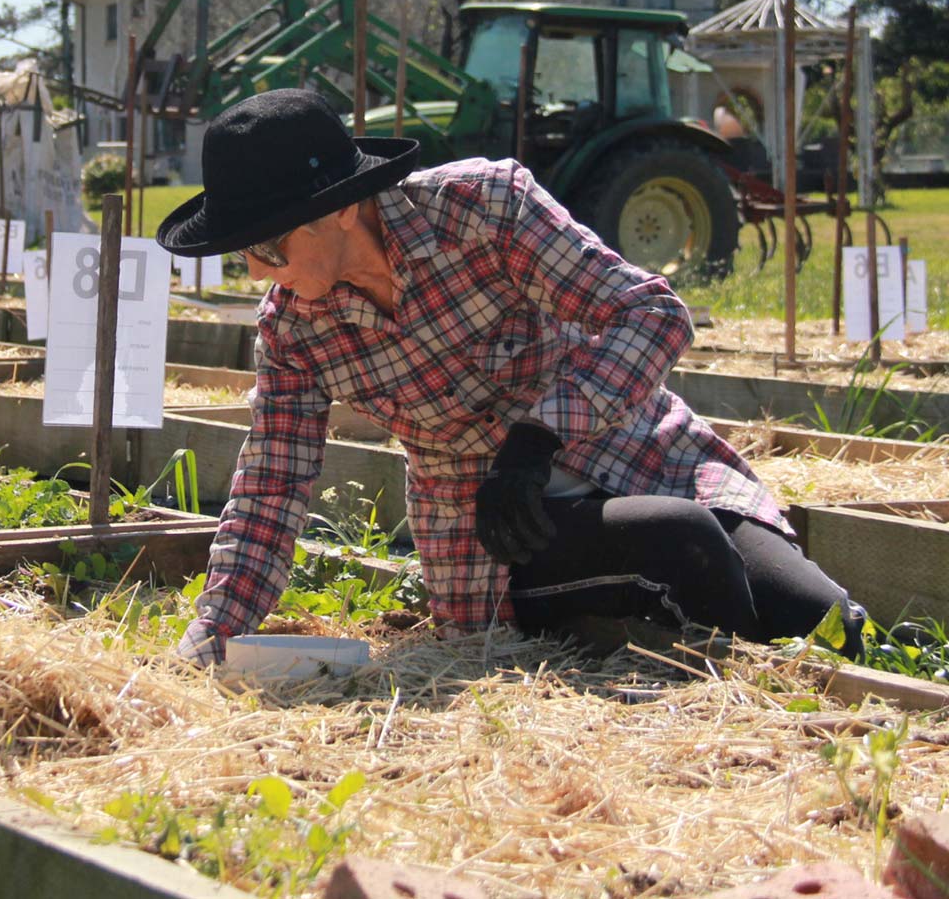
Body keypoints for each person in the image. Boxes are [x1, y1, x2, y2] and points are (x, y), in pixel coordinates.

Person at [156, 88, 864, 665]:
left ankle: (766, 685)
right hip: (498, 533)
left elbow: (651, 313)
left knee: (830, 622)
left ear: (340, 206)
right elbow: (272, 487)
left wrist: (536, 439)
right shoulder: (292, 328)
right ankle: (737, 709)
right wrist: (213, 632)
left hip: (642, 452)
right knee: (683, 544)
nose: (254, 271)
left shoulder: (484, 209)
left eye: (266, 245)